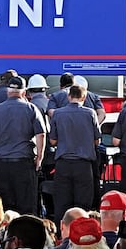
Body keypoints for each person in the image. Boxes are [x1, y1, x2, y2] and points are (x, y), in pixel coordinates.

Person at [0, 78, 46, 215]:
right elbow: (41, 134)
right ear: (23, 92)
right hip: (24, 164)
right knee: (27, 208)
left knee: (4, 209)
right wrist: (39, 158)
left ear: (8, 92)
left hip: (2, 165)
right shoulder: (31, 109)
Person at [48, 83, 101, 214]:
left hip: (63, 164)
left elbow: (53, 140)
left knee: (62, 204)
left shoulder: (58, 114)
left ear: (68, 96)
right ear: (84, 97)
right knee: (83, 206)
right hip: (84, 165)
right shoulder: (91, 113)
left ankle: (61, 231)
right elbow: (97, 140)